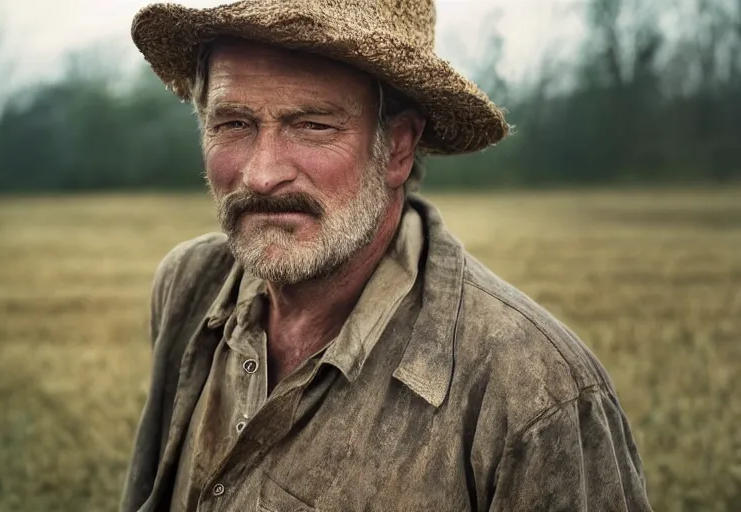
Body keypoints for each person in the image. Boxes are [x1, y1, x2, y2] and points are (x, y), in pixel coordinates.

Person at [122, 1, 652, 511]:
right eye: (233, 123)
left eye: (313, 125)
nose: (262, 173)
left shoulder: (534, 390)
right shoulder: (190, 285)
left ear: (397, 148)